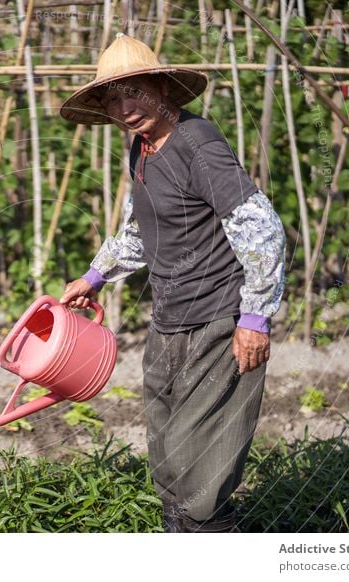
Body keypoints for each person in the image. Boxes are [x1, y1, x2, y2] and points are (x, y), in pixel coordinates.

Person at [58, 33, 286, 532]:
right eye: (113, 99)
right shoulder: (142, 148)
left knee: (201, 461)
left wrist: (254, 317)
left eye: (133, 92)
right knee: (165, 449)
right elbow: (140, 227)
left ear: (162, 88)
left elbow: (261, 227)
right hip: (170, 317)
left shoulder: (197, 144)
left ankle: (212, 538)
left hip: (219, 317)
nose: (124, 107)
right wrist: (95, 276)